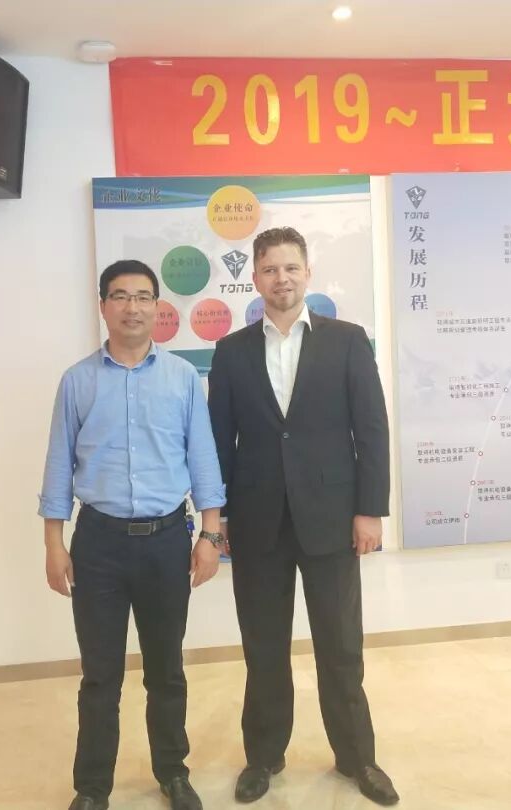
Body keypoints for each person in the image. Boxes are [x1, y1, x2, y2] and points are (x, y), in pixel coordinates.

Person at [207, 227, 398, 806]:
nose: (281, 279)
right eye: (270, 269)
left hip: (332, 520)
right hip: (256, 521)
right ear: (255, 278)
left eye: (291, 268)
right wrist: (219, 518)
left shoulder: (347, 341)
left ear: (308, 273)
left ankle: (357, 758)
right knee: (263, 648)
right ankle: (263, 757)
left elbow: (371, 430)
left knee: (340, 646)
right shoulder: (232, 351)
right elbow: (218, 442)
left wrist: (370, 510)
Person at [40, 259, 227, 810]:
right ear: (103, 306)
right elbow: (58, 466)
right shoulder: (77, 381)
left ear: (157, 307)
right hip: (97, 545)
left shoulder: (182, 378)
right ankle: (92, 787)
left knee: (166, 670)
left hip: (167, 542)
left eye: (143, 297)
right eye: (120, 296)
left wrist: (210, 536)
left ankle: (173, 772)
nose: (132, 307)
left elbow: (203, 460)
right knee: (100, 676)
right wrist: (54, 544)